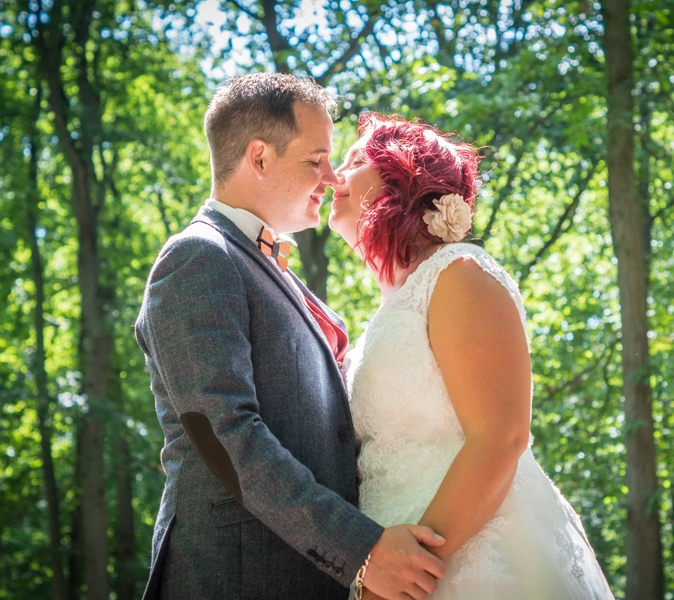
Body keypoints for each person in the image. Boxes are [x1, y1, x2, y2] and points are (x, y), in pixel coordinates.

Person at [134, 74, 446, 600]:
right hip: (237, 578)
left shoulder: (263, 262)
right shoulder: (199, 257)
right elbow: (224, 435)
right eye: (315, 159)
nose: (330, 177)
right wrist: (361, 550)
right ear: (259, 158)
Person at [328, 113, 616, 599]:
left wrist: (415, 569)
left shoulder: (458, 273)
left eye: (356, 161)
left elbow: (501, 437)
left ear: (400, 177)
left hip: (463, 565)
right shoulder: (391, 307)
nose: (335, 174)